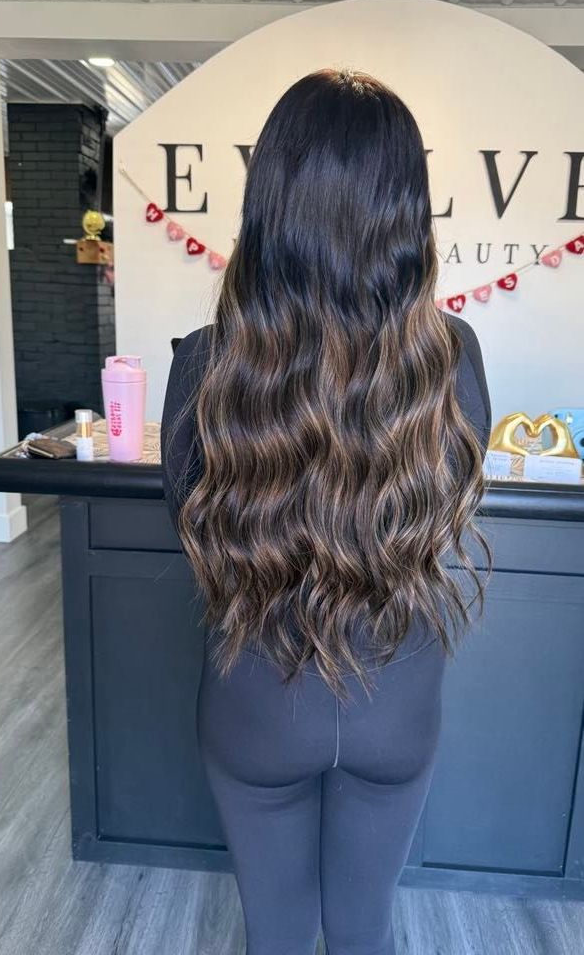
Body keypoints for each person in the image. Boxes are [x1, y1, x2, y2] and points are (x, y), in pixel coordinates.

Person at [160, 69, 492, 955]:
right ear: (407, 212)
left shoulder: (203, 365)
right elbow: (447, 498)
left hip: (255, 702)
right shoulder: (452, 359)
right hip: (398, 697)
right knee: (364, 931)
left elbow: (191, 529)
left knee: (275, 937)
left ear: (268, 202)